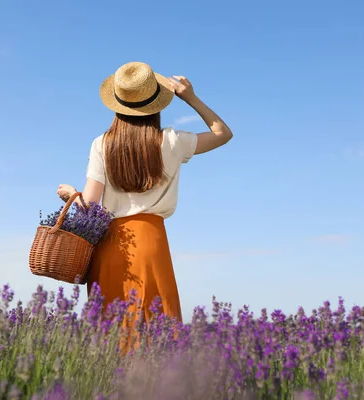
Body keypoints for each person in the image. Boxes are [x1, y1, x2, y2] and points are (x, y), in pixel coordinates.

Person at [56, 61, 232, 328]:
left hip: (110, 246)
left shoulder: (102, 144)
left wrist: (71, 193)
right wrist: (190, 98)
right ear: (156, 105)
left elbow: (89, 208)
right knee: (157, 332)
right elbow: (222, 133)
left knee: (110, 337)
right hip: (152, 244)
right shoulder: (173, 141)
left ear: (118, 105)